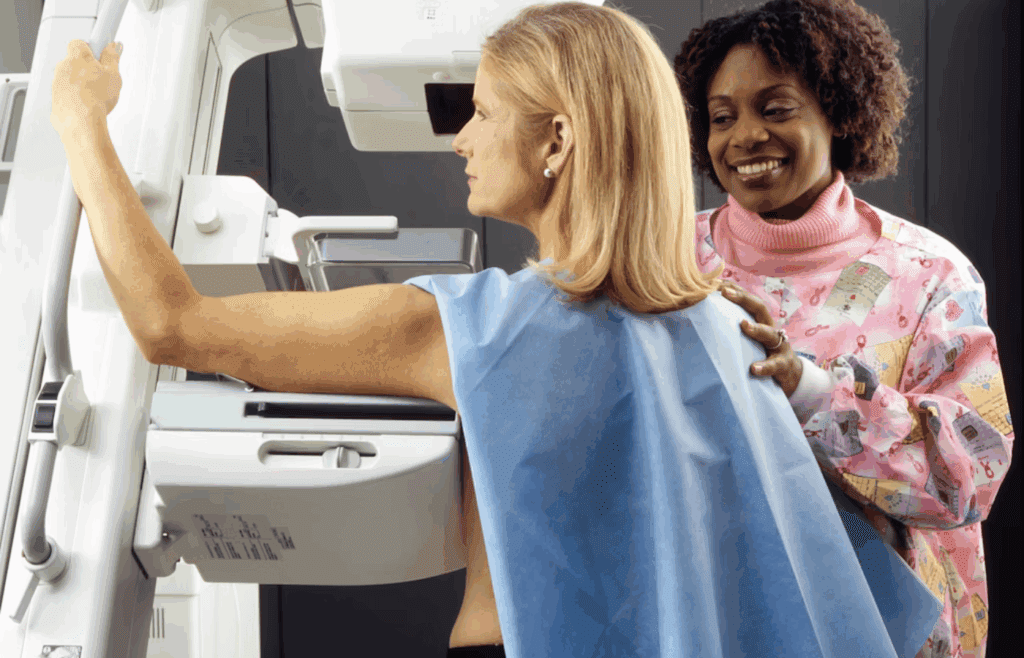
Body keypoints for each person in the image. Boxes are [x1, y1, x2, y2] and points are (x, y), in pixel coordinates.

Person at [51, 3, 923, 658]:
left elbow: (171, 323)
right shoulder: (729, 325)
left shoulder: (475, 326)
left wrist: (82, 125)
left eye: (482, 111)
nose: (461, 139)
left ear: (557, 139)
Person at [673, 1, 1014, 656]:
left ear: (839, 110)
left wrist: (814, 396)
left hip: (880, 635)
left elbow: (974, 471)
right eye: (722, 117)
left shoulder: (930, 278)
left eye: (775, 109)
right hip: (707, 622)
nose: (744, 136)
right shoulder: (666, 261)